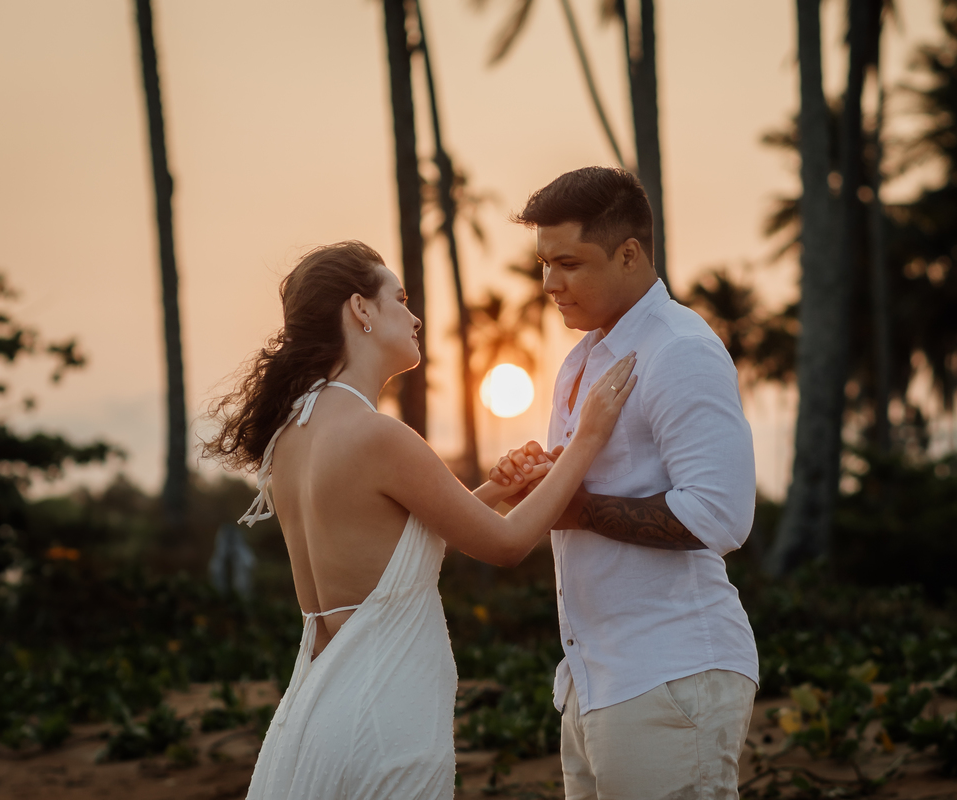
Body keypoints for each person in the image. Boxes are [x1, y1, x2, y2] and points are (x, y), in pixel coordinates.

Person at [202, 240, 636, 800]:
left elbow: (393, 555)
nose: (415, 317)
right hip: (385, 720)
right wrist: (588, 439)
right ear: (360, 309)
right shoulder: (377, 435)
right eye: (400, 299)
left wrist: (497, 490)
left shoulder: (290, 438)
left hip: (316, 717)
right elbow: (506, 545)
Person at [489, 167, 760, 800]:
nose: (550, 284)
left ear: (629, 254)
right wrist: (546, 478)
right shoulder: (582, 360)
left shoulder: (680, 350)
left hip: (670, 671)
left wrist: (576, 508)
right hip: (594, 679)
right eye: (545, 264)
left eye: (569, 264)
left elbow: (719, 516)